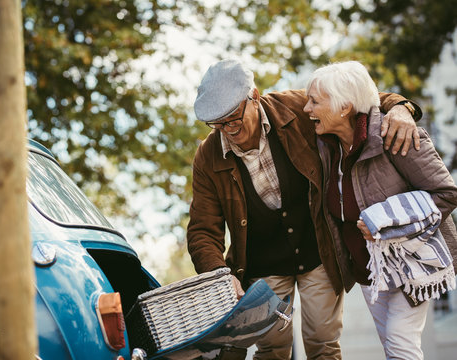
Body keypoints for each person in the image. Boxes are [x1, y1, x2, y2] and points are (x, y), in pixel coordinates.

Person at [187, 59, 421, 360]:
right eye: (218, 125)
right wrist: (219, 274)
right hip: (262, 264)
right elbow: (202, 229)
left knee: (322, 344)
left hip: (318, 250)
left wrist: (401, 108)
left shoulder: (297, 108)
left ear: (254, 97)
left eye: (233, 119)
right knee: (271, 348)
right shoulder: (207, 157)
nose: (228, 131)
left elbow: (359, 99)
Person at [303, 60, 457, 359]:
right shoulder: (328, 148)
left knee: (401, 343)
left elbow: (446, 193)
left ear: (345, 106)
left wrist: (386, 220)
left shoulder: (394, 134)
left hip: (411, 264)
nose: (307, 109)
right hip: (368, 270)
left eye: (315, 102)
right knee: (392, 345)